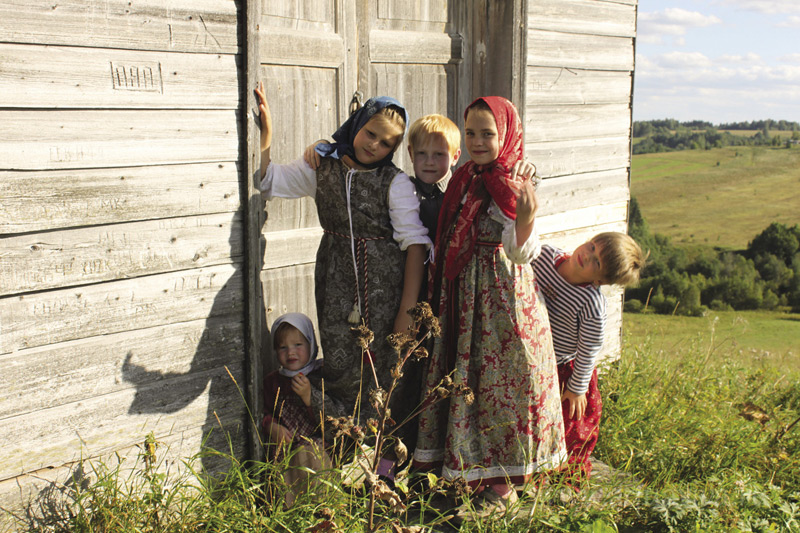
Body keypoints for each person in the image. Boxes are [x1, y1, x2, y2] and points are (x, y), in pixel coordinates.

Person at [254, 84, 432, 481]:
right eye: (370, 133)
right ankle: (339, 463)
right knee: (340, 372)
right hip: (335, 285)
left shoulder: (395, 183)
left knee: (386, 379)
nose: (374, 146)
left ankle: (386, 472)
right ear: (355, 124)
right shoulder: (324, 167)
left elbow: (416, 245)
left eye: (387, 143)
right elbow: (267, 181)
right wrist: (267, 133)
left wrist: (407, 309)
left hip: (385, 293)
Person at [413, 96, 567, 514]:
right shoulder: (465, 176)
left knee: (503, 384)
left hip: (501, 297)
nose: (479, 141)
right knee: (467, 383)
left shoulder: (513, 180)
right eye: (472, 133)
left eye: (488, 133)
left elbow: (521, 253)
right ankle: (466, 470)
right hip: (463, 293)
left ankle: (501, 485)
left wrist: (527, 217)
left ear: (507, 134)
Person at [533, 232, 646, 484]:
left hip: (564, 367)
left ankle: (562, 469)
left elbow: (589, 347)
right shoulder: (545, 257)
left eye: (597, 262)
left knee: (570, 421)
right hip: (532, 357)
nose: (587, 255)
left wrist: (577, 387)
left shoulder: (591, 302)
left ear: (600, 279)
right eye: (592, 246)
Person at [262, 313, 329, 507]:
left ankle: (322, 512)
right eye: (283, 347)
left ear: (311, 344)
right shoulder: (272, 382)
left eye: (298, 345)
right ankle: (290, 514)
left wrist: (309, 397)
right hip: (286, 446)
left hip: (316, 446)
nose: (290, 352)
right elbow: (265, 412)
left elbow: (330, 417)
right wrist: (271, 427)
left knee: (312, 458)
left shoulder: (320, 375)